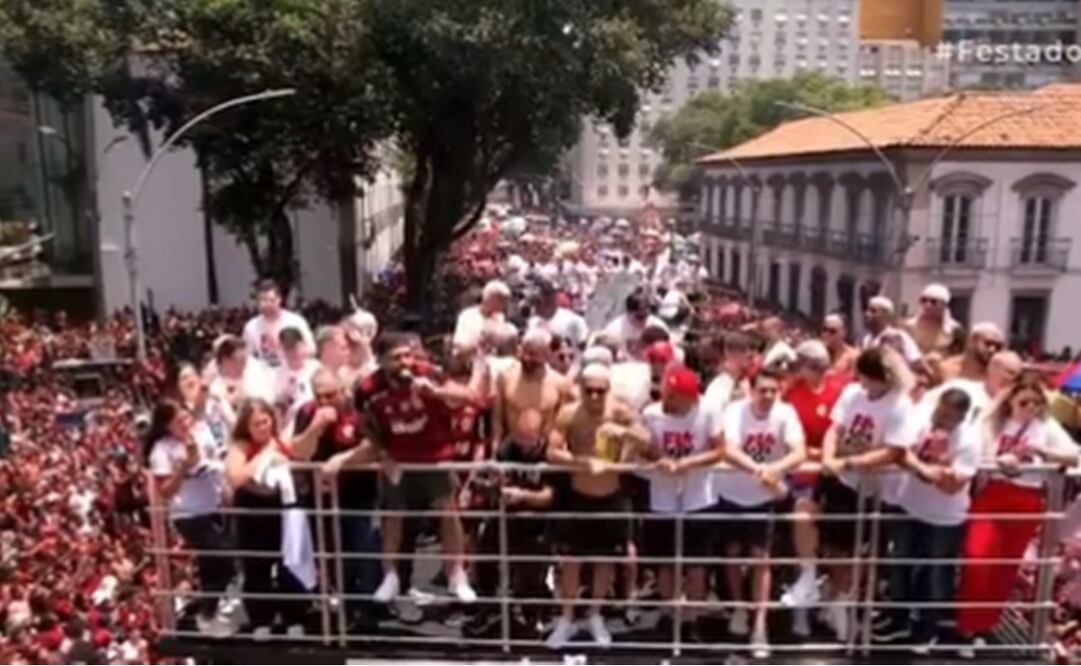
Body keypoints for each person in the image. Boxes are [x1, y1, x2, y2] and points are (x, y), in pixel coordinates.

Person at [796, 347, 917, 641]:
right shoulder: (852, 394)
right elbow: (834, 429)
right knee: (807, 515)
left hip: (869, 486)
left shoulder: (900, 405)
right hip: (836, 477)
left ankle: (837, 602)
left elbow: (893, 450)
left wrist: (849, 461)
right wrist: (829, 459)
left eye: (867, 379)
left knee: (850, 550)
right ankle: (811, 580)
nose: (863, 384)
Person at [956, 373, 1080, 656]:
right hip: (994, 493)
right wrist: (997, 461)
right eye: (1025, 401)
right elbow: (971, 453)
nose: (1031, 408)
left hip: (1026, 499)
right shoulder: (991, 423)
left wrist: (1043, 451)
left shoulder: (1045, 426)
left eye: (1037, 403)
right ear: (1011, 399)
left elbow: (1075, 456)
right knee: (978, 559)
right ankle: (966, 626)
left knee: (1004, 568)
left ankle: (984, 625)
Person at [356, 333, 477, 605]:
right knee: (394, 517)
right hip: (400, 458)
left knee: (447, 510)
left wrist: (436, 391)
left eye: (407, 355)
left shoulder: (428, 373)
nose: (404, 363)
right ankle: (390, 576)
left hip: (435, 455)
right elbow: (363, 422)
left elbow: (469, 397)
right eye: (396, 358)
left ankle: (457, 573)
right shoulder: (368, 387)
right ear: (381, 361)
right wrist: (383, 452)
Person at [546, 363, 650, 648]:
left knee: (604, 561)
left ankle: (595, 615)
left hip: (611, 495)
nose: (594, 397)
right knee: (571, 562)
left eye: (600, 391)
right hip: (577, 495)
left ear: (608, 390)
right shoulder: (569, 414)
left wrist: (622, 432)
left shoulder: (619, 411)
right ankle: (567, 619)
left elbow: (646, 439)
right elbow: (552, 452)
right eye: (589, 390)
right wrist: (582, 461)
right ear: (580, 388)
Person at [716, 369, 806, 658]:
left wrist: (776, 471)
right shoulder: (733, 411)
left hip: (763, 499)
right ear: (751, 390)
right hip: (731, 492)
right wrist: (759, 470)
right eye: (762, 390)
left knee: (761, 560)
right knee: (731, 554)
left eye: (772, 390)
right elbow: (727, 449)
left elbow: (799, 451)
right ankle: (739, 608)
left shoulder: (786, 413)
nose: (767, 396)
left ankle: (759, 626)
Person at [881, 388, 979, 651]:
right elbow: (900, 452)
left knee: (937, 575)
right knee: (899, 565)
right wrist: (926, 469)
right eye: (940, 412)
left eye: (948, 417)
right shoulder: (920, 417)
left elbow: (952, 486)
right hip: (909, 505)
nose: (940, 420)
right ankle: (897, 620)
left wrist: (940, 460)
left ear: (961, 417)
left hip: (944, 518)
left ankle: (927, 630)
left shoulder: (969, 439)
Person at [639, 365, 725, 644]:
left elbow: (719, 450)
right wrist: (659, 458)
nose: (668, 399)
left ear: (690, 398)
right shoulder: (652, 413)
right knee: (666, 561)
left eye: (674, 395)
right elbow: (646, 447)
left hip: (699, 497)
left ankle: (693, 618)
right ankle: (670, 612)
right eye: (667, 392)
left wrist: (686, 463)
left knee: (696, 563)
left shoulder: (708, 412)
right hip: (663, 496)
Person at [294, 369, 380, 628]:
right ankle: (334, 608)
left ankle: (366, 611)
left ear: (343, 391)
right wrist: (316, 428)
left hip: (358, 496)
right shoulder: (307, 413)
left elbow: (373, 447)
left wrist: (341, 461)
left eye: (330, 395)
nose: (324, 402)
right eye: (318, 395)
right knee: (328, 555)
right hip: (319, 499)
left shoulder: (359, 411)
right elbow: (298, 451)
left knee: (363, 552)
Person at [143, 400, 234, 637]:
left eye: (185, 417)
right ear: (166, 426)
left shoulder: (201, 432)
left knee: (211, 561)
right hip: (188, 513)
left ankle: (212, 610)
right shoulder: (162, 450)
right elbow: (166, 491)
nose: (185, 423)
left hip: (214, 505)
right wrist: (183, 467)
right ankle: (208, 611)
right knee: (221, 553)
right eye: (178, 421)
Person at [779, 340, 850, 636]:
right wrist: (817, 454)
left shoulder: (841, 390)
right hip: (804, 477)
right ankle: (802, 612)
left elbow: (843, 432)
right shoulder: (790, 394)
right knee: (802, 535)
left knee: (839, 549)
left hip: (835, 477)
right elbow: (790, 440)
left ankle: (834, 605)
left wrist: (827, 455)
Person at [223, 398, 310, 639]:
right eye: (256, 424)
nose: (263, 427)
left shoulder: (282, 442)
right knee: (257, 567)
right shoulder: (241, 446)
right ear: (246, 427)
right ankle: (261, 619)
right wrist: (263, 457)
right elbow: (235, 477)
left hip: (283, 512)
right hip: (253, 515)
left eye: (265, 421)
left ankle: (295, 617)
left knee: (290, 565)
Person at [242, 279, 315, 369]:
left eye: (271, 300)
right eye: (263, 300)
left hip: (291, 372)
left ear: (279, 300)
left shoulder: (296, 321)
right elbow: (246, 356)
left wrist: (288, 349)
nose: (267, 304)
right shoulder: (251, 327)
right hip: (265, 376)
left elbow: (312, 349)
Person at [273, 327, 321, 433]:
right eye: (287, 349)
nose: (292, 353)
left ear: (303, 345)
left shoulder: (317, 368)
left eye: (295, 347)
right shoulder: (275, 375)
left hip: (317, 420)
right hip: (291, 427)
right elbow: (276, 410)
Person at [207, 335, 272, 411]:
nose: (244, 365)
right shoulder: (212, 379)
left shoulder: (254, 368)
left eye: (245, 360)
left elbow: (268, 400)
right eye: (240, 361)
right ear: (227, 360)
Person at [600, 290, 668, 359]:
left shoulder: (658, 326)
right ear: (628, 313)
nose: (643, 320)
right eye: (639, 317)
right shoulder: (615, 329)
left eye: (645, 316)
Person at [860, 296, 922, 366]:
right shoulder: (867, 339)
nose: (867, 314)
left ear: (886, 315)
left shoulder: (898, 336)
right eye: (867, 310)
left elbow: (916, 361)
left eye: (873, 311)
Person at [904, 284, 963, 357]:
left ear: (944, 305)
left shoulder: (955, 330)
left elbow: (959, 356)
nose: (927, 305)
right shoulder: (908, 326)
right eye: (924, 300)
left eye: (933, 302)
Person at [703, 332, 753, 414]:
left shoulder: (742, 383)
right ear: (728, 352)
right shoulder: (719, 385)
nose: (750, 355)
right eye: (744, 350)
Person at [528, 282, 589, 349]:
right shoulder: (532, 322)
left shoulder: (574, 321)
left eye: (537, 301)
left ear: (551, 298)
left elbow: (583, 349)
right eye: (532, 300)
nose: (534, 305)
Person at [938, 322, 1005, 383]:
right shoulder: (946, 369)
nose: (992, 350)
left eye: (998, 347)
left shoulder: (999, 376)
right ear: (972, 342)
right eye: (988, 344)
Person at [454, 280, 510, 348]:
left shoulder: (499, 317)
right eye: (502, 301)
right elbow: (460, 344)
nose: (505, 305)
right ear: (492, 299)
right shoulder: (467, 316)